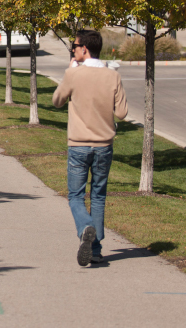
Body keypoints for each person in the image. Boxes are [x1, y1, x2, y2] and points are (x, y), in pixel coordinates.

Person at [52, 29, 128, 266]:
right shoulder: (112, 76)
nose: (73, 51)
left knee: (75, 196)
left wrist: (70, 72)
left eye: (74, 47)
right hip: (104, 145)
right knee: (98, 195)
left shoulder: (74, 75)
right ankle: (95, 249)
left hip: (79, 145)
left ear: (84, 49)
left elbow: (57, 101)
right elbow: (122, 113)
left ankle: (86, 227)